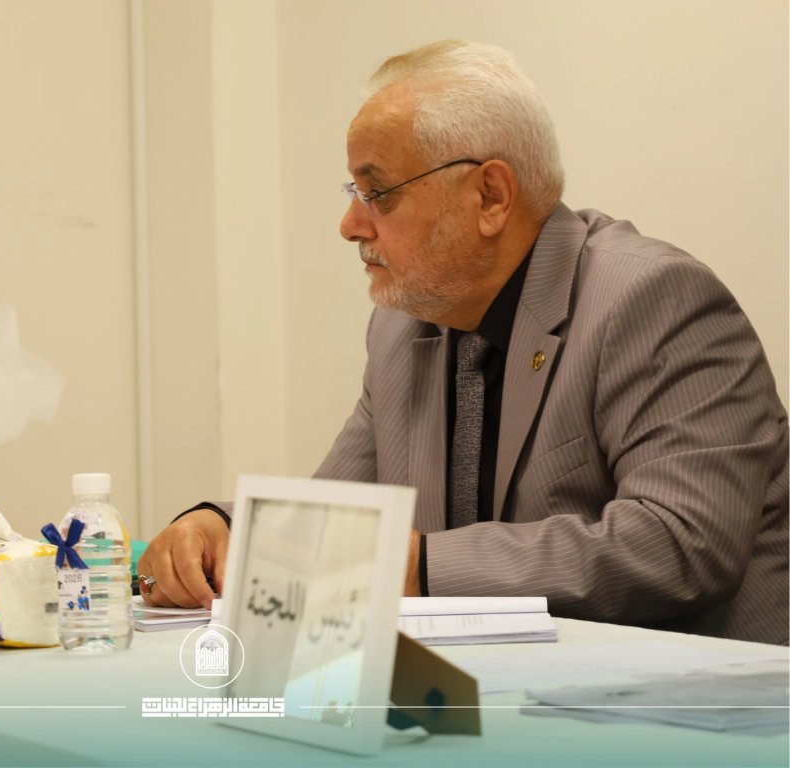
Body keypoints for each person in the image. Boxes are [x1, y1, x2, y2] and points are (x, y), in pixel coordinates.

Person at [136, 40, 789, 645]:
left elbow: (681, 542)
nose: (350, 225)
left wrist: (422, 566)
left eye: (377, 193)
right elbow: (341, 521)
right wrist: (226, 532)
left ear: (490, 196)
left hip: (707, 701)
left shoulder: (650, 299)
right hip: (510, 696)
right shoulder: (403, 327)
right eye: (353, 192)